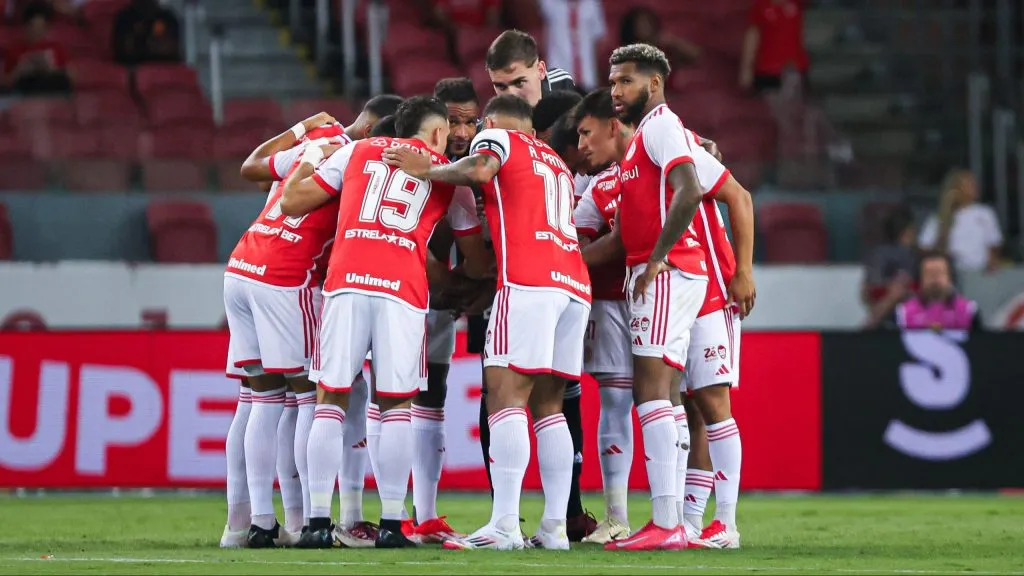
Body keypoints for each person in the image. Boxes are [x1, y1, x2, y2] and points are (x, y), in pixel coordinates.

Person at [384, 94, 592, 551]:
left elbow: (480, 169)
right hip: (573, 286)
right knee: (550, 407)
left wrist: (425, 170)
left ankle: (504, 526)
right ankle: (555, 528)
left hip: (528, 281)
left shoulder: (498, 138)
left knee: (504, 398)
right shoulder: (555, 160)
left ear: (494, 122)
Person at [281, 96, 489, 549]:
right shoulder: (449, 179)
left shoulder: (356, 152)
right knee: (395, 406)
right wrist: (457, 288)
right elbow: (475, 258)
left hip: (346, 283)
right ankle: (393, 524)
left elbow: (293, 203)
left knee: (329, 400)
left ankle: (317, 523)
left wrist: (311, 157)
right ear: (436, 134)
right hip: (402, 291)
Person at [581, 43, 718, 551]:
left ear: (654, 84)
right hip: (662, 268)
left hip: (667, 270)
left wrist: (658, 256)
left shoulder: (661, 125)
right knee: (661, 395)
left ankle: (667, 523)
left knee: (653, 391)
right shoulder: (645, 141)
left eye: (626, 81)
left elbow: (689, 189)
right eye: (613, 82)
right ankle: (676, 519)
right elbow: (621, 235)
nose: (616, 91)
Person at [221, 111, 346, 548]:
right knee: (309, 397)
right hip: (285, 278)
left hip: (241, 265)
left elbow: (253, 166)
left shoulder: (310, 149)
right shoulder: (357, 157)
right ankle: (298, 521)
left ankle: (249, 523)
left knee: (259, 399)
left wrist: (301, 129)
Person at [399, 77, 490, 544]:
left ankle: (425, 513)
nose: (461, 130)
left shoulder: (478, 169)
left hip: (438, 298)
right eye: (453, 120)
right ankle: (368, 512)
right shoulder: (416, 166)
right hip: (401, 292)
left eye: (470, 120)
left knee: (433, 393)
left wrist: (466, 293)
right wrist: (462, 290)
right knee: (383, 400)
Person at [918, 169, 1003, 273]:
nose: (974, 188)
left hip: (979, 273)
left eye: (974, 184)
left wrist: (991, 266)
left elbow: (993, 245)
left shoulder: (984, 213)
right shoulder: (939, 217)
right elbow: (924, 246)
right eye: (969, 185)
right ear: (956, 189)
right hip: (951, 274)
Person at [886, 251, 983, 332]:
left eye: (939, 272)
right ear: (920, 279)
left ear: (950, 278)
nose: (934, 278)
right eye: (929, 273)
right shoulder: (902, 313)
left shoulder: (969, 310)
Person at [486, 29, 575, 107]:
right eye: (501, 87)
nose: (511, 95)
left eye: (519, 83)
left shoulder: (562, 83)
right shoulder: (491, 122)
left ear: (541, 70)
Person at [862, 206, 918, 329]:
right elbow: (867, 292)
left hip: (916, 320)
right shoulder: (880, 256)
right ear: (908, 232)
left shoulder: (917, 256)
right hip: (884, 319)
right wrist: (892, 295)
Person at [739, 0, 809, 94]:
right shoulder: (760, 5)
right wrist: (746, 69)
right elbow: (753, 36)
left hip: (794, 69)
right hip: (766, 71)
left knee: (795, 105)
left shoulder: (796, 3)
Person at [2, 2, 71, 95]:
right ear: (25, 27)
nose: (36, 33)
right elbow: (5, 83)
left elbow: (71, 77)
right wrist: (19, 71)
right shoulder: (15, 50)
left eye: (40, 29)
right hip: (24, 93)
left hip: (52, 92)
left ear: (46, 29)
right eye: (33, 28)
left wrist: (51, 70)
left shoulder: (56, 48)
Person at [536, 0, 607, 89]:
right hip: (557, 74)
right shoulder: (550, 4)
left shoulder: (592, 4)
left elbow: (599, 39)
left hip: (586, 76)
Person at [619, 7, 702, 67]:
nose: (646, 27)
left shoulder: (664, 48)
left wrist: (674, 42)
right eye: (641, 24)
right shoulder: (626, 56)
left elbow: (695, 55)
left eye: (648, 22)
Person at [112, 0, 181, 66]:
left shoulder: (167, 18)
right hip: (132, 71)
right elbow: (124, 51)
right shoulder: (125, 18)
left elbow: (170, 51)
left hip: (165, 71)